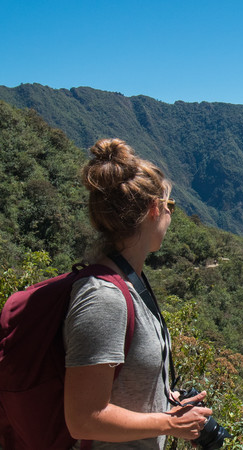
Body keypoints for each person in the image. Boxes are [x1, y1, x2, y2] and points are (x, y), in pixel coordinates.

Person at [63, 138, 212, 449]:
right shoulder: (104, 298)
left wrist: (165, 403)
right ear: (154, 210)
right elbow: (83, 419)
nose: (171, 214)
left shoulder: (131, 283)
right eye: (170, 205)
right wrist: (171, 424)